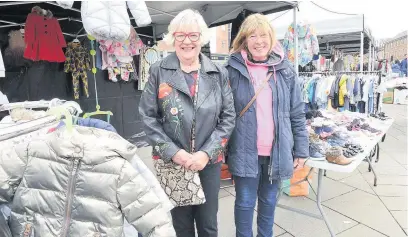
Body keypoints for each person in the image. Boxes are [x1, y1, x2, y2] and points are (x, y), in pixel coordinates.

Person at [139, 9, 236, 237]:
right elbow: (147, 116)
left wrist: (206, 153)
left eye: (193, 35)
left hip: (208, 163)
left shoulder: (217, 73)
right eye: (180, 35)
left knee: (208, 225)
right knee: (180, 226)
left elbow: (228, 117)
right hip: (174, 163)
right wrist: (174, 153)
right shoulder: (159, 71)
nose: (187, 41)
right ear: (173, 38)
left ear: (201, 38)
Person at [225, 13, 309, 237]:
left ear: (272, 38)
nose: (259, 41)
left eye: (263, 35)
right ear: (244, 40)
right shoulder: (231, 70)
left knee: (269, 200)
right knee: (244, 202)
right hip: (244, 149)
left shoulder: (285, 70)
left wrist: (301, 149)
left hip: (277, 150)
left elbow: (297, 113)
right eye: (252, 35)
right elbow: (223, 113)